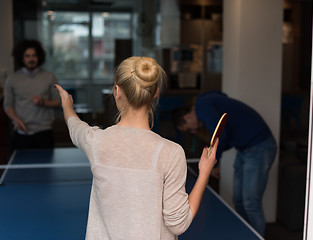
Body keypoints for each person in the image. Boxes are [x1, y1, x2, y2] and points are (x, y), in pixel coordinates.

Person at [54, 56, 218, 239]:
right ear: (155, 93)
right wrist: (204, 172)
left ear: (117, 91)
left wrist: (67, 104)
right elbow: (178, 224)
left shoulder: (95, 141)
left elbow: (75, 128)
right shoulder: (171, 152)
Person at [172, 91, 277, 236]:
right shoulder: (206, 101)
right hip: (245, 148)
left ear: (187, 117)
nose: (193, 130)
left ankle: (257, 236)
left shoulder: (201, 106)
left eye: (189, 128)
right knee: (239, 201)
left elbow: (220, 137)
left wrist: (213, 165)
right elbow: (225, 133)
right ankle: (247, 235)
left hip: (260, 146)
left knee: (250, 203)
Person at [3, 39, 60, 149]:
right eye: (27, 56)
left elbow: (58, 102)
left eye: (34, 55)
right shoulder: (12, 79)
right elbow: (8, 105)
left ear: (39, 57)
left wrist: (43, 102)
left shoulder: (50, 77)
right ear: (22, 58)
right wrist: (16, 120)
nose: (31, 59)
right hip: (21, 133)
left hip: (44, 132)